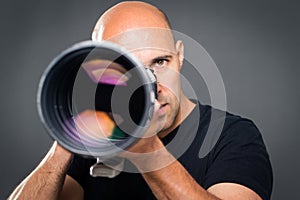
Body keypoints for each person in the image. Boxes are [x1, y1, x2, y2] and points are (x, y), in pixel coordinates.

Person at [8, 1, 273, 200]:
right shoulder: (98, 137)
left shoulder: (232, 136)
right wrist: (65, 135)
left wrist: (147, 149)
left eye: (159, 62)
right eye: (128, 71)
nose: (151, 84)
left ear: (179, 55)